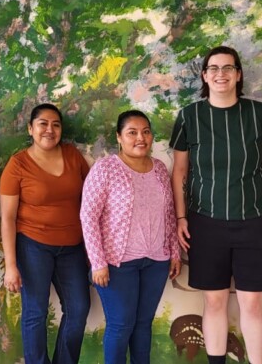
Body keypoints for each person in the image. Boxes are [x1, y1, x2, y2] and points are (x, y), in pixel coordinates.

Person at [169, 45, 262, 364]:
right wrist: (180, 217)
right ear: (205, 76)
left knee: (252, 304)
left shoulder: (260, 114)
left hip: (256, 220)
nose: (221, 74)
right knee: (214, 302)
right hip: (205, 222)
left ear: (238, 74)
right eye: (214, 69)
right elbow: (180, 171)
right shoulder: (189, 116)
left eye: (228, 68)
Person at [80, 110, 181, 364]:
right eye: (132, 132)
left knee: (143, 324)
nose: (140, 138)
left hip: (156, 262)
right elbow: (88, 216)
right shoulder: (105, 168)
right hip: (117, 263)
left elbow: (169, 213)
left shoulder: (158, 169)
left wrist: (174, 252)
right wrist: (98, 262)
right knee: (121, 324)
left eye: (146, 132)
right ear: (119, 137)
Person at [0, 103, 91, 364]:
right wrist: (10, 265)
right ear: (31, 128)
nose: (49, 130)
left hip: (72, 247)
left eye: (56, 124)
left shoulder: (73, 156)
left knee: (78, 309)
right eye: (43, 124)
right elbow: (7, 218)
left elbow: (94, 199)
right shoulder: (17, 165)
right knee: (35, 312)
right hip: (33, 246)